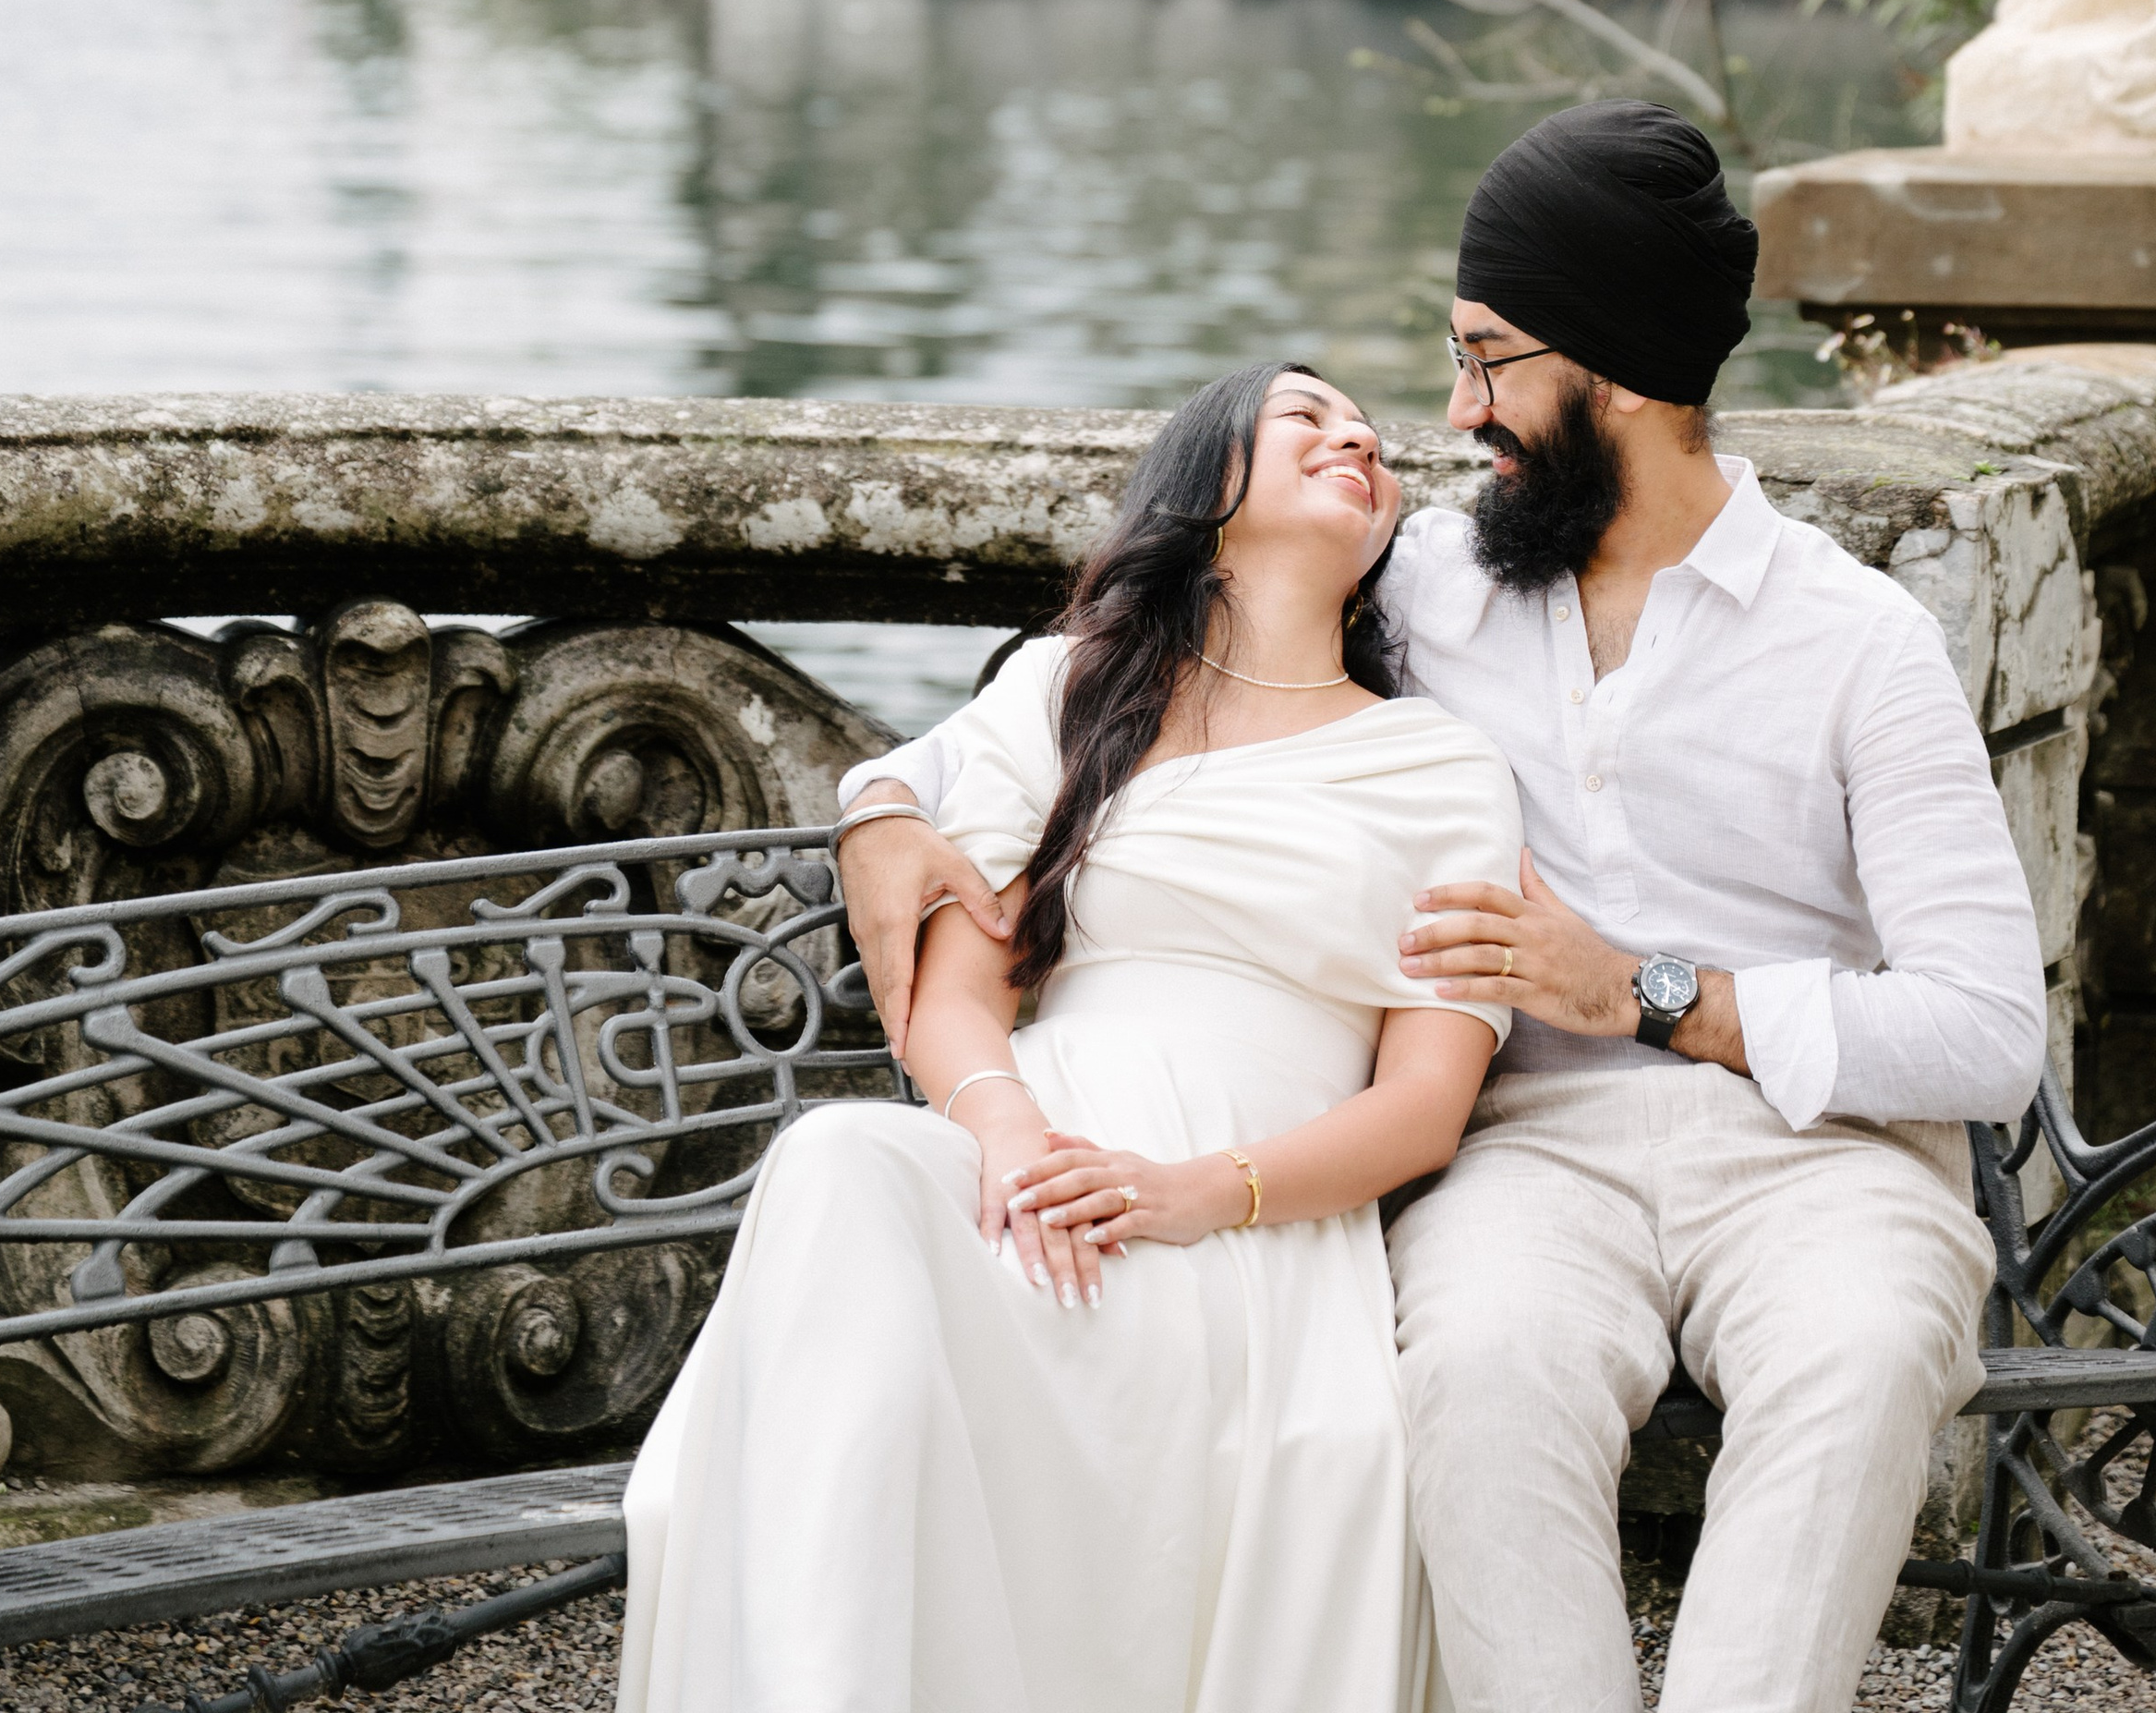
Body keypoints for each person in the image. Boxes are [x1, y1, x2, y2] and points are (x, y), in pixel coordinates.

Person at [842, 103, 2050, 1713]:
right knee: (1475, 1375)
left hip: (1820, 1160)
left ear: (1612, 369)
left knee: (1863, 1358)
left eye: (1489, 360)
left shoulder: (1860, 643)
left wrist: (1650, 989)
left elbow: (1987, 1035)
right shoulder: (1421, 584)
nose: (1457, 409)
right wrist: (880, 810)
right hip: (1522, 1155)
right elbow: (1101, 685)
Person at [616, 361, 1524, 1713]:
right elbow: (957, 990)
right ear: (1208, 482)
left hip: (1252, 1215)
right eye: (1307, 419)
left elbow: (1425, 1103)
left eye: (1374, 439)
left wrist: (1194, 1195)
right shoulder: (1072, 692)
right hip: (1029, 1156)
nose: (1357, 442)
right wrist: (1011, 1139)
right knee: (840, 1165)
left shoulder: (1441, 766)